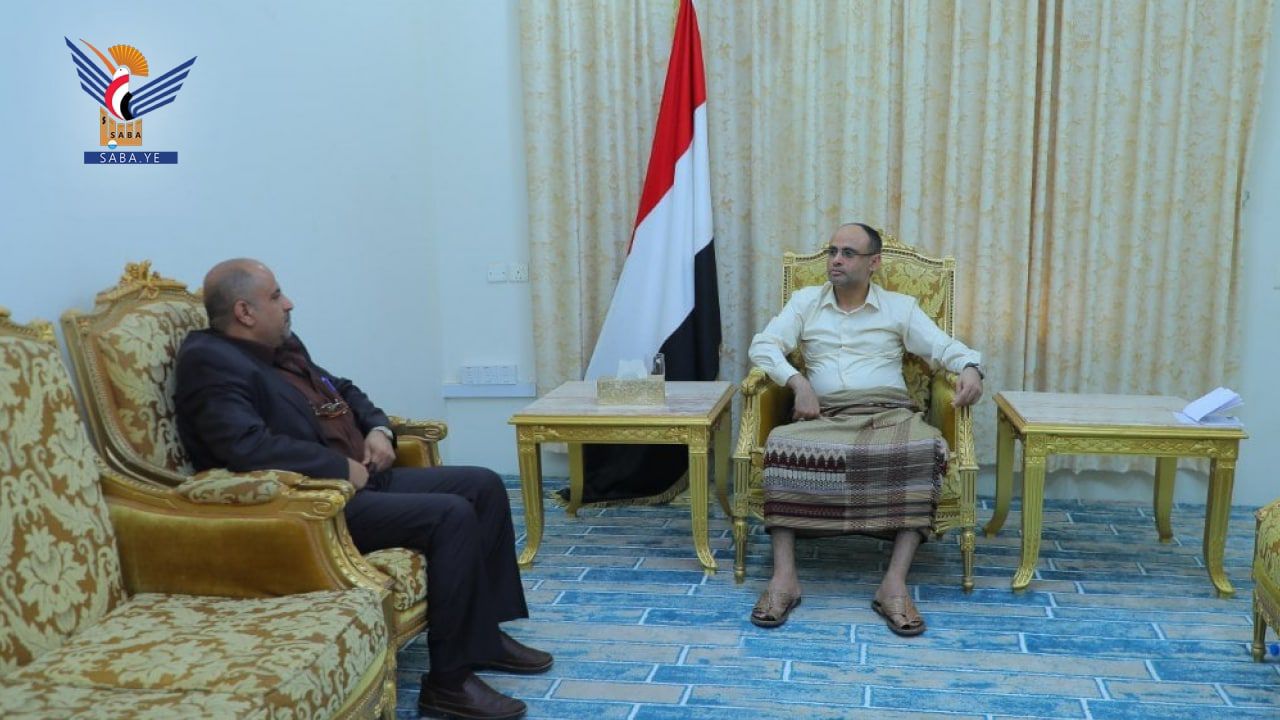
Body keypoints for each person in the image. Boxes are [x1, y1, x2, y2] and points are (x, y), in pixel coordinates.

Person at [174, 258, 548, 720]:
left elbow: (343, 389)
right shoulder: (210, 362)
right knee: (450, 514)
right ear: (244, 312)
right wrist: (337, 466)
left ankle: (484, 637)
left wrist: (379, 430)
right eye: (275, 296)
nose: (289, 303)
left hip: (364, 476)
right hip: (314, 504)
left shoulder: (281, 345)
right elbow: (244, 446)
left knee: (483, 484)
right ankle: (449, 683)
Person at [746, 223, 983, 636]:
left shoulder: (899, 307)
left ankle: (893, 584)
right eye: (832, 251)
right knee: (781, 444)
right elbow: (763, 345)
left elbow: (943, 347)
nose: (836, 260)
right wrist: (797, 382)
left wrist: (970, 367)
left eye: (848, 253)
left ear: (874, 263)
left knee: (925, 447)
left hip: (886, 412)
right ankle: (784, 579)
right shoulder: (805, 302)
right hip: (825, 415)